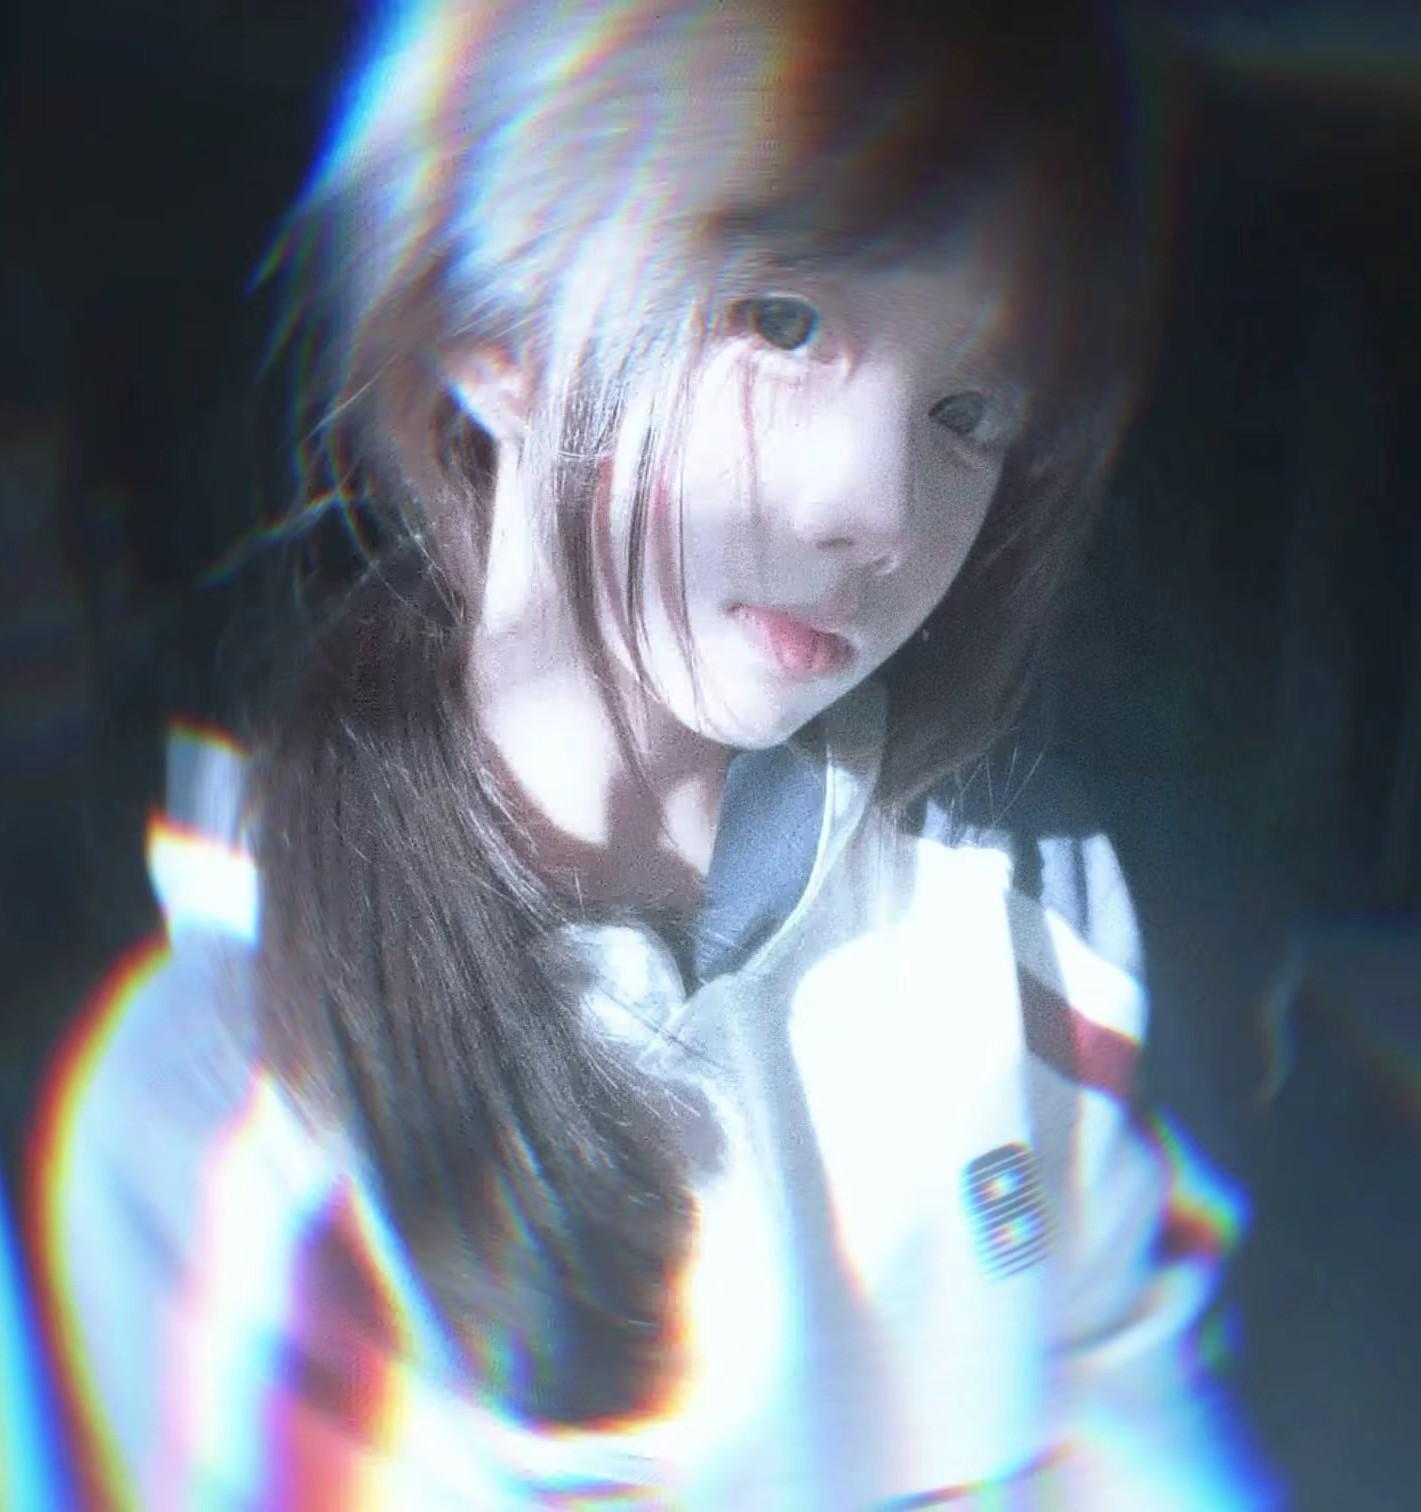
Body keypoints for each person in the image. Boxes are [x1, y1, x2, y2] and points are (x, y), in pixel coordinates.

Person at [37, 0, 1271, 1504]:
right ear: (491, 329)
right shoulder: (231, 1111)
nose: (874, 509)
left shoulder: (1023, 953)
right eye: (780, 323)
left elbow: (1144, 1422)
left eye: (966, 412)